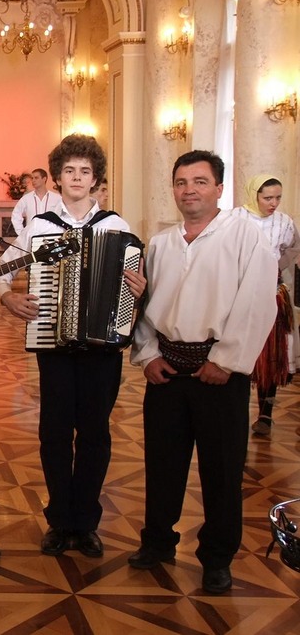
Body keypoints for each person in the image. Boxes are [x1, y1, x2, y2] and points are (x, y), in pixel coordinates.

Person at [129, 150, 276, 595]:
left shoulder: (245, 236)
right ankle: (158, 541)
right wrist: (148, 355)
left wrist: (225, 360)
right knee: (162, 463)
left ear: (219, 188)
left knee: (222, 470)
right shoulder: (161, 243)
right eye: (180, 182)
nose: (188, 190)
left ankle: (216, 557)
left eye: (199, 181)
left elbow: (256, 302)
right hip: (167, 371)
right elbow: (146, 307)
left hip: (220, 374)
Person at [0, 135, 145, 558]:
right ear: (57, 177)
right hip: (53, 344)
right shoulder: (39, 226)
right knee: (55, 433)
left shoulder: (116, 226)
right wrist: (7, 299)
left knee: (95, 433)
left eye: (85, 171)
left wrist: (138, 290)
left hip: (102, 347)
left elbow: (134, 286)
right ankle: (60, 520)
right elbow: (1, 271)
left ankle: (87, 522)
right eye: (69, 171)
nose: (77, 178)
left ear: (96, 179)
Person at [229, 174, 296, 436]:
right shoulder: (236, 218)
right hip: (240, 293)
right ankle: (236, 411)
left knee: (271, 355)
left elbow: (291, 250)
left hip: (271, 292)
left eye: (278, 197)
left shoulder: (284, 222)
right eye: (268, 197)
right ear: (254, 194)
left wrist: (272, 268)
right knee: (241, 351)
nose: (273, 203)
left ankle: (265, 414)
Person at [10, 167, 63, 236]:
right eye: (32, 178)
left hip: (51, 237)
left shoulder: (56, 198)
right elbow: (16, 215)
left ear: (44, 179)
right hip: (32, 237)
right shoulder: (26, 198)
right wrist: (21, 233)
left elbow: (64, 217)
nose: (33, 181)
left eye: (36, 178)